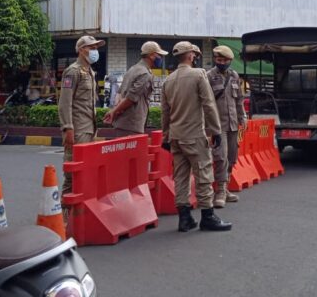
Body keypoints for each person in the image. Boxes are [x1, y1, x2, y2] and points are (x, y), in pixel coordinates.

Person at [161, 41, 231, 232]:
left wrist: (165, 136)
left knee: (181, 178)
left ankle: (184, 218)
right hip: (195, 135)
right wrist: (215, 130)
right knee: (203, 174)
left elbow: (165, 113)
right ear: (191, 56)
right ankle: (207, 216)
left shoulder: (168, 80)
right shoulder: (198, 75)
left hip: (175, 137)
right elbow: (208, 105)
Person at [58, 35, 105, 204]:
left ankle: (79, 217)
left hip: (89, 129)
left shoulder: (90, 72)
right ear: (80, 50)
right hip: (77, 130)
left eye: (96, 47)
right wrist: (68, 128)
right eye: (91, 47)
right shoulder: (73, 71)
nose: (95, 51)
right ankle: (63, 218)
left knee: (85, 173)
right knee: (72, 175)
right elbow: (65, 102)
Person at [206, 45, 247, 208]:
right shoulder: (209, 76)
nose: (222, 62)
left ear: (230, 61)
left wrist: (242, 116)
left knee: (231, 157)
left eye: (225, 60)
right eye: (219, 59)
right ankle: (220, 191)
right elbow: (205, 102)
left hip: (232, 124)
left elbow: (239, 99)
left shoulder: (234, 76)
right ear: (215, 60)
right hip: (217, 125)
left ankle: (226, 186)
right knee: (220, 157)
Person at [104, 41, 168, 136]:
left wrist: (115, 110)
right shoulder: (144, 74)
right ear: (151, 55)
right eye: (159, 55)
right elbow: (131, 98)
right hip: (132, 125)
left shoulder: (133, 69)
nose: (161, 58)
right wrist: (114, 111)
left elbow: (120, 93)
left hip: (123, 123)